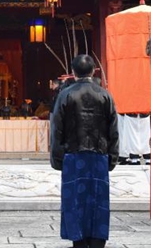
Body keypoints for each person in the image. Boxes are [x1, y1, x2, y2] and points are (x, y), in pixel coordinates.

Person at [50, 54, 119, 248]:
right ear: (93, 71)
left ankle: (78, 240)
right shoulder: (105, 95)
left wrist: (57, 158)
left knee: (75, 201)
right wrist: (112, 158)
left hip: (73, 155)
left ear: (73, 73)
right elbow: (113, 129)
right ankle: (97, 240)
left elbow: (57, 129)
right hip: (99, 155)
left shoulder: (66, 95)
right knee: (98, 199)